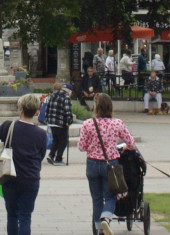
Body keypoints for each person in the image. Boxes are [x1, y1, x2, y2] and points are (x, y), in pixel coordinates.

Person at [0, 93, 47, 235]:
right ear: (36, 112)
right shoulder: (41, 134)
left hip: (9, 177)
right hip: (31, 179)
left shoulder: (8, 126)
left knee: (12, 215)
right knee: (25, 216)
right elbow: (41, 156)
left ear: (20, 110)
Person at [77, 93, 134, 235]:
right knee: (111, 196)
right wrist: (125, 147)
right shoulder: (117, 123)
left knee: (96, 199)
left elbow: (81, 147)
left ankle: (100, 229)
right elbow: (131, 143)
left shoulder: (88, 124)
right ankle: (106, 218)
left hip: (92, 164)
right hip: (111, 164)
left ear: (96, 107)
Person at [44, 82, 74, 165]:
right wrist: (69, 121)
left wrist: (47, 119)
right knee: (63, 141)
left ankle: (51, 155)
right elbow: (67, 111)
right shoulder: (65, 97)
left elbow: (47, 108)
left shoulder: (52, 95)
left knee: (56, 140)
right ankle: (58, 159)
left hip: (52, 122)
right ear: (69, 91)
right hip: (61, 122)